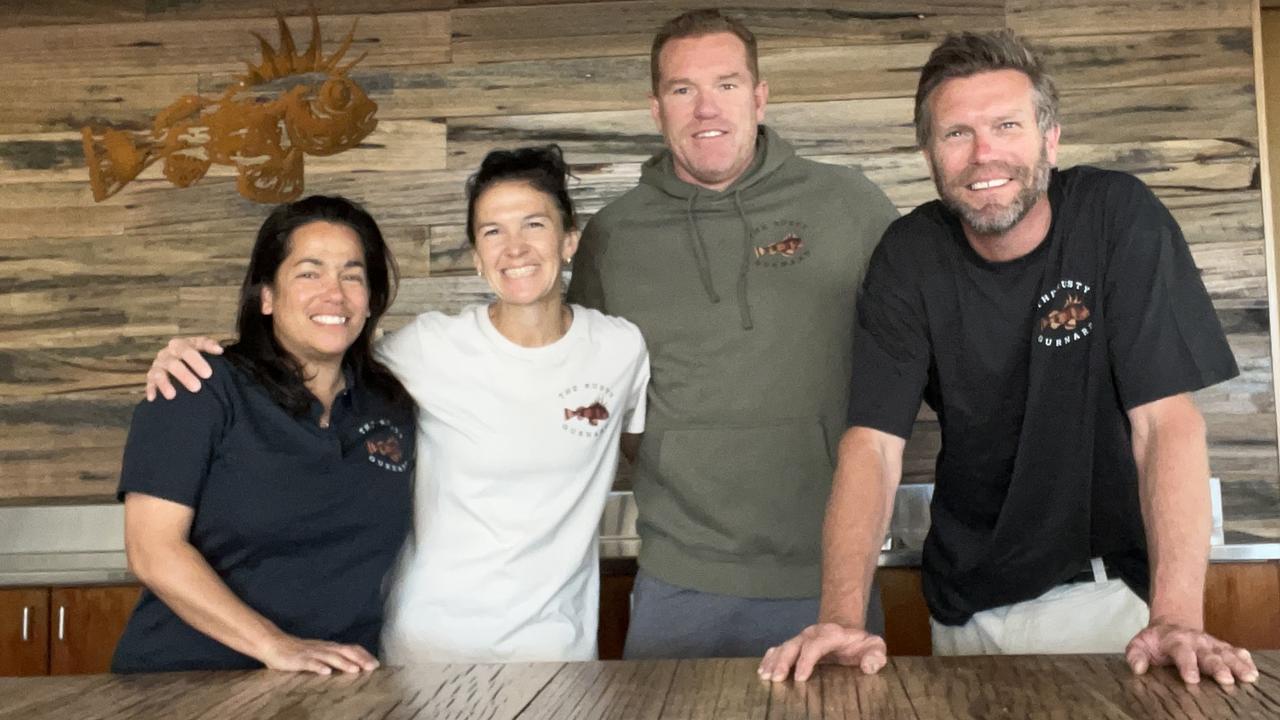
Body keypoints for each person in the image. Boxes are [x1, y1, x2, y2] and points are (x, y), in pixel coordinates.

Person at [758, 30, 1260, 687]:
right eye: (957, 133)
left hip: (1124, 602)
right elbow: (873, 444)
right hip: (970, 607)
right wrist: (842, 619)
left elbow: (1165, 421)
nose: (983, 153)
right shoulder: (909, 257)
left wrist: (1176, 618)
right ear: (929, 154)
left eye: (1006, 125)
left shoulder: (1118, 217)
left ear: (1050, 139)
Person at [145, 146, 650, 663]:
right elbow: (315, 347)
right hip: (424, 652)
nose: (514, 248)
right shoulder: (425, 349)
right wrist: (188, 356)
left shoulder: (620, 348)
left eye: (534, 225)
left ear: (569, 241)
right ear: (476, 256)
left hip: (558, 654)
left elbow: (647, 453)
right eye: (492, 231)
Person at [567, 9, 898, 658]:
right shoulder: (613, 236)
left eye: (726, 83)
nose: (706, 108)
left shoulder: (850, 205)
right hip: (677, 582)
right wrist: (677, 450)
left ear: (759, 95)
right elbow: (591, 392)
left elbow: (917, 351)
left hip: (830, 579)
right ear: (655, 107)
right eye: (682, 90)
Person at [113, 195, 415, 674]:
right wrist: (276, 645)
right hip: (186, 681)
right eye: (309, 272)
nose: (333, 294)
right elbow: (152, 549)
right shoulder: (198, 385)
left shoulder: (392, 406)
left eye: (352, 275)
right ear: (267, 296)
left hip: (336, 685)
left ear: (371, 300)